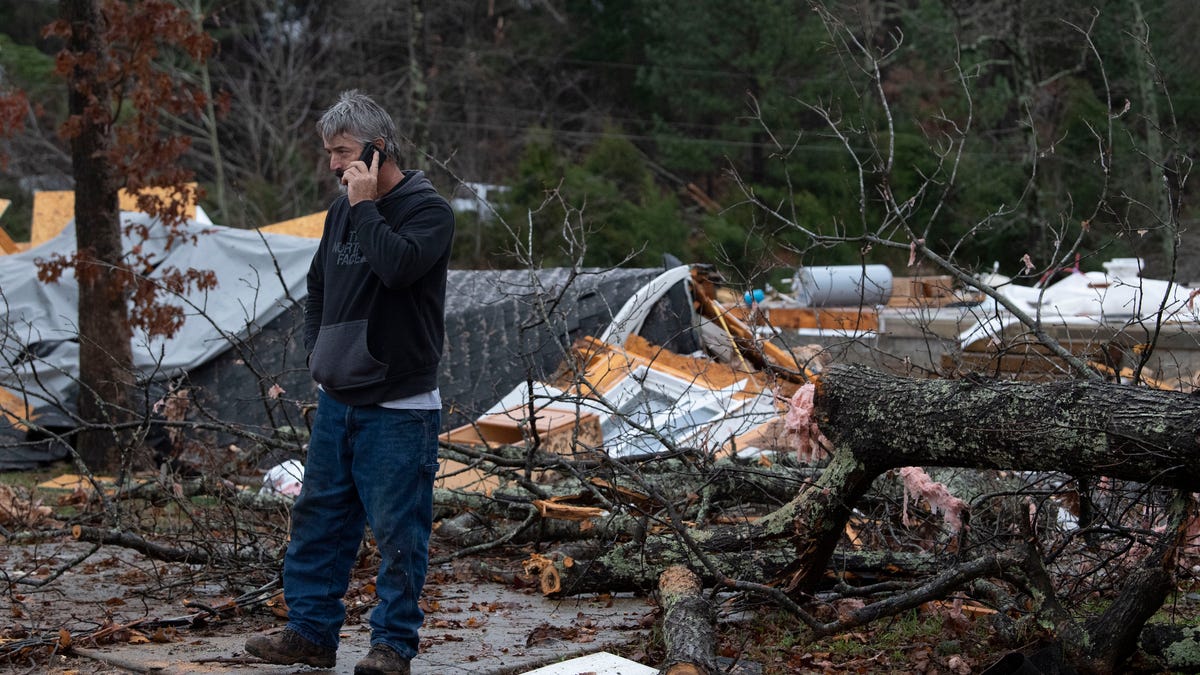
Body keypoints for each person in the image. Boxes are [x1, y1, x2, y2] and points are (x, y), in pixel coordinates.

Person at [245, 90, 455, 675]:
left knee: (399, 534)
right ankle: (311, 633)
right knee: (319, 521)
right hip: (339, 401)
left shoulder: (427, 211)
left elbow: (396, 268)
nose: (334, 165)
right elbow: (318, 286)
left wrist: (365, 208)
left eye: (342, 152)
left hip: (400, 406)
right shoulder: (339, 211)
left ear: (376, 147)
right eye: (329, 153)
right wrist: (319, 350)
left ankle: (391, 647)